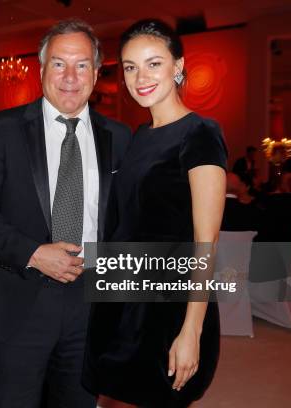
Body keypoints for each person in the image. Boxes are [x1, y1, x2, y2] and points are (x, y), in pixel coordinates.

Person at [0, 19, 132, 407]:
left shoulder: (121, 138)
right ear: (42, 70)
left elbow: (126, 222)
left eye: (81, 65)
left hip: (90, 307)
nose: (70, 76)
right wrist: (34, 253)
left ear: (96, 72)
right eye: (59, 63)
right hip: (18, 300)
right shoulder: (3, 129)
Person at [83, 19, 227, 408]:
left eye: (153, 63)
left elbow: (206, 239)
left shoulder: (200, 133)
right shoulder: (138, 137)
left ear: (178, 66)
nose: (139, 77)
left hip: (167, 308)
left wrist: (191, 330)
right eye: (130, 67)